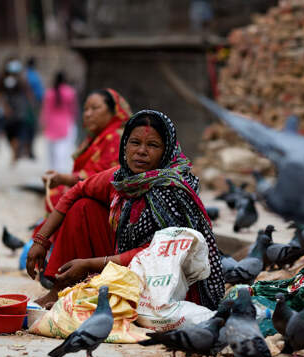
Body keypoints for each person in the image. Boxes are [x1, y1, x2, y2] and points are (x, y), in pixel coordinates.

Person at [26, 110, 225, 310]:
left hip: (163, 277)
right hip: (122, 260)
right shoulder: (122, 178)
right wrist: (41, 240)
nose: (141, 151)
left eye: (153, 145)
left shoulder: (172, 191)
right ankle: (60, 289)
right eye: (135, 142)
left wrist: (90, 264)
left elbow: (155, 254)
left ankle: (95, 294)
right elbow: (74, 192)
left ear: (167, 151)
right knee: (82, 206)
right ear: (125, 145)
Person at [38, 88, 130, 213]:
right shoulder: (95, 138)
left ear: (113, 111)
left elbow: (102, 179)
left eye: (95, 108)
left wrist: (64, 179)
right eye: (85, 109)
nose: (87, 114)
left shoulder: (114, 138)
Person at [0, 57, 34, 162]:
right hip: (9, 111)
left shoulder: (22, 78)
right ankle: (15, 150)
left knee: (18, 132)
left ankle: (16, 150)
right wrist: (2, 106)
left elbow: (28, 93)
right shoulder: (2, 79)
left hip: (19, 111)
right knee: (10, 133)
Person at [40, 71, 78, 173]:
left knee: (51, 150)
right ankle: (59, 170)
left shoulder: (49, 92)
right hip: (65, 123)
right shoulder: (70, 92)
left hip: (51, 123)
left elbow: (45, 110)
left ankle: (52, 170)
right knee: (61, 149)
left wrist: (43, 122)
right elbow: (73, 109)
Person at [22, 57, 44, 159]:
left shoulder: (26, 74)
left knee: (27, 128)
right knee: (29, 128)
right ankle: (28, 150)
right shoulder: (32, 75)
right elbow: (36, 92)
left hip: (27, 104)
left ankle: (27, 150)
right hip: (31, 104)